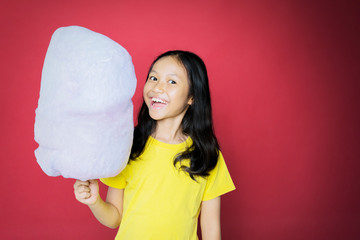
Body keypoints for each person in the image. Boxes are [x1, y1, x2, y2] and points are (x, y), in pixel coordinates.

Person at [74, 50, 235, 239]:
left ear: (192, 97)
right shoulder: (128, 146)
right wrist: (95, 202)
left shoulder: (207, 155)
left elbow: (210, 227)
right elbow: (114, 218)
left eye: (172, 81)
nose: (157, 87)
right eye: (153, 78)